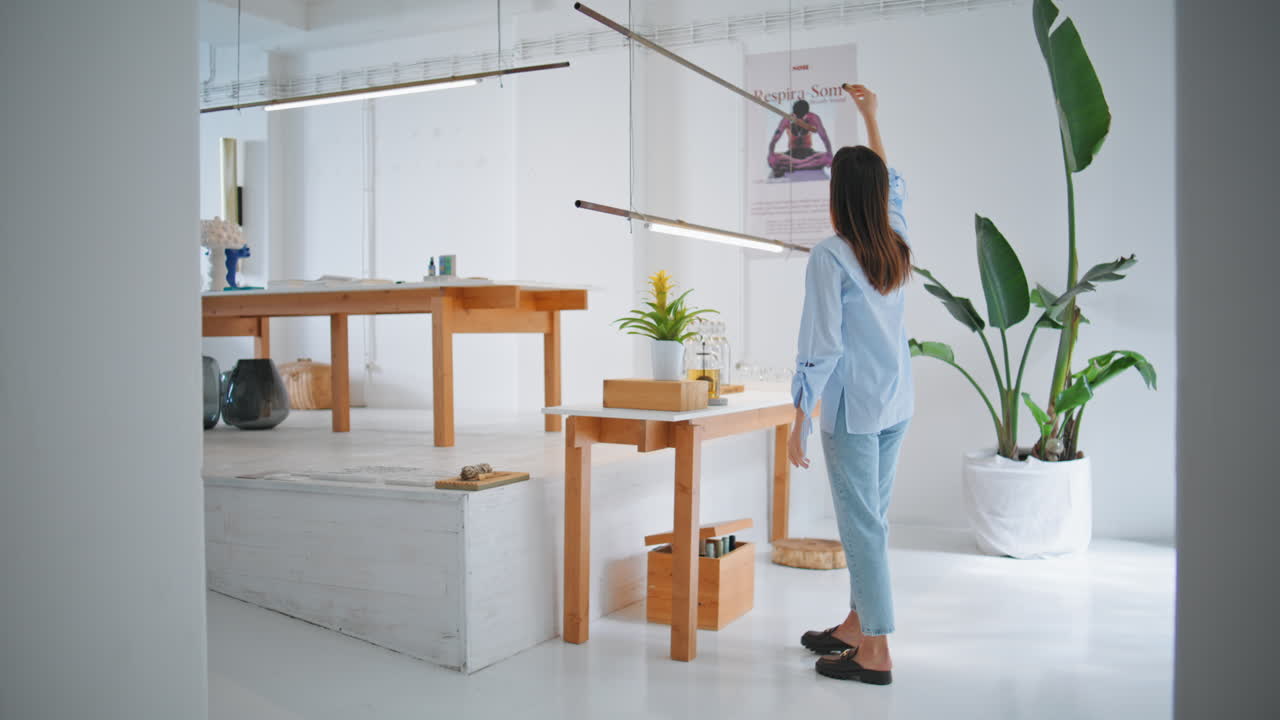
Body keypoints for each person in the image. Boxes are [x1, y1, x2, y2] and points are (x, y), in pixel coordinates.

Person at [787, 83, 913, 685]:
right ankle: (856, 627)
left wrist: (797, 421)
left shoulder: (831, 257)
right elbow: (894, 185)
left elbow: (821, 348)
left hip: (853, 411)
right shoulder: (893, 240)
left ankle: (876, 652)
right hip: (894, 403)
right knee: (873, 521)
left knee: (862, 527)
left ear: (838, 197)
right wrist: (871, 115)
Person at [767, 99, 834, 179]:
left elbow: (824, 137)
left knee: (826, 158)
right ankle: (805, 165)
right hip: (791, 155)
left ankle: (795, 166)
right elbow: (774, 139)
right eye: (797, 116)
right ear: (794, 113)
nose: (799, 119)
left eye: (801, 117)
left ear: (807, 113)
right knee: (774, 159)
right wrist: (771, 155)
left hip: (808, 153)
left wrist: (829, 154)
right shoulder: (787, 119)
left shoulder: (813, 118)